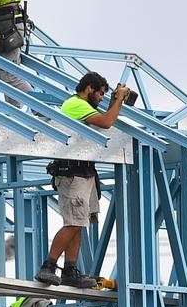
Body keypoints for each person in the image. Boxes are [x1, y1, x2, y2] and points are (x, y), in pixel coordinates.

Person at [35, 72, 129, 288]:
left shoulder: (84, 108)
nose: (101, 99)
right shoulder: (75, 104)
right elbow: (107, 122)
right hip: (72, 174)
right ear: (89, 89)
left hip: (83, 173)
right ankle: (48, 266)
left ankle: (70, 269)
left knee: (78, 224)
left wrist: (116, 102)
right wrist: (119, 101)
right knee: (73, 223)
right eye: (100, 94)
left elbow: (105, 118)